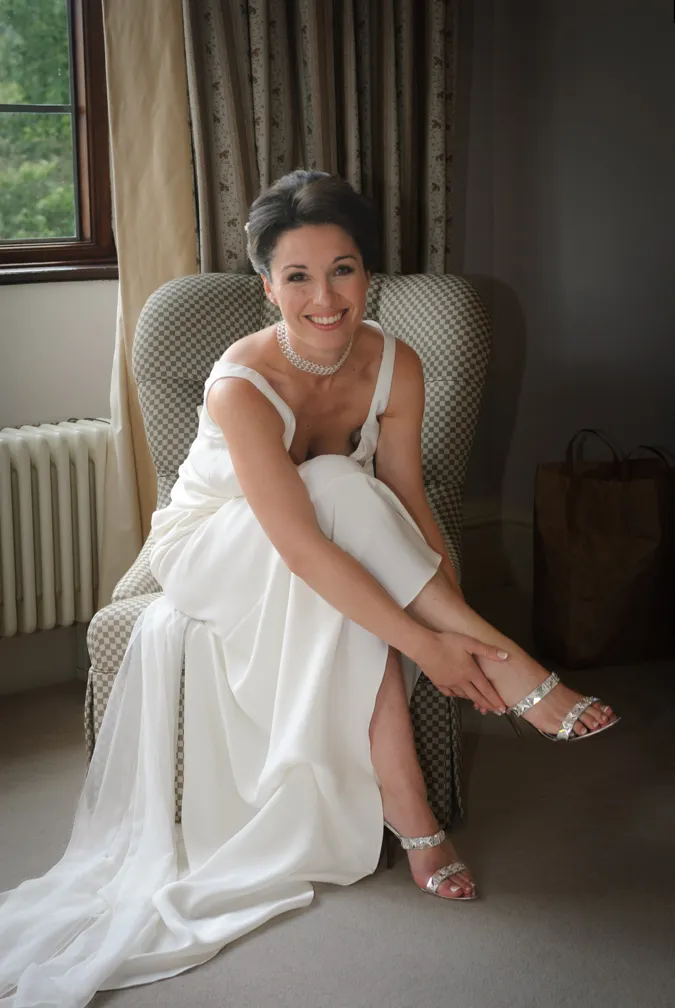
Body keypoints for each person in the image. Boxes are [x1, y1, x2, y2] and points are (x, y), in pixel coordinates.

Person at [0, 170, 619, 1006]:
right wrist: (428, 644)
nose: (325, 298)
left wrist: (441, 601)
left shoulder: (396, 362)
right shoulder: (237, 383)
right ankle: (504, 681)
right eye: (297, 276)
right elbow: (296, 546)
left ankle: (421, 811)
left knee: (343, 494)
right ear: (266, 286)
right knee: (330, 483)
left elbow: (404, 501)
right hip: (212, 551)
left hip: (329, 534)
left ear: (369, 274)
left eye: (343, 269)